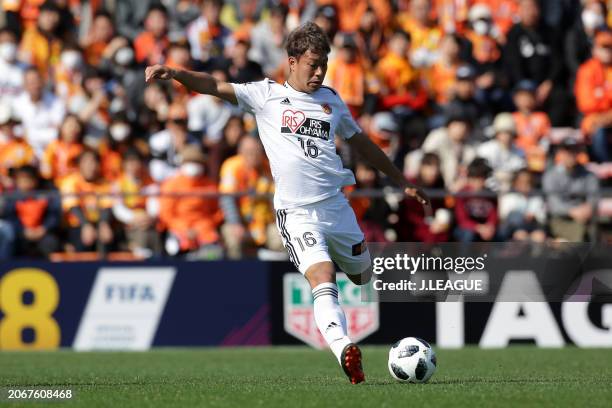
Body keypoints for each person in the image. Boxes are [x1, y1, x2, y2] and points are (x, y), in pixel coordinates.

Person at [145, 21, 429, 384]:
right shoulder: (265, 95)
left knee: (362, 275)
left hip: (336, 208)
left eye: (323, 64)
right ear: (292, 62)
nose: (319, 71)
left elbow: (363, 144)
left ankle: (344, 332)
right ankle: (344, 349)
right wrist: (177, 73)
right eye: (313, 64)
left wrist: (402, 181)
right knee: (322, 276)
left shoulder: (331, 100)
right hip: (297, 213)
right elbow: (215, 85)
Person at [219, 136, 279, 259]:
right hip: (240, 222)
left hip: (265, 223)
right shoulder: (232, 166)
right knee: (233, 238)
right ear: (240, 152)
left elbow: (276, 199)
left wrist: (280, 224)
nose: (252, 155)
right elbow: (226, 198)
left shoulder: (268, 167)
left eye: (255, 151)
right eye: (248, 152)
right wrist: (235, 223)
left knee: (283, 238)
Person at [158, 145, 223, 258]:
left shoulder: (209, 185)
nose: (194, 165)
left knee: (214, 254)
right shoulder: (171, 184)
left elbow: (217, 211)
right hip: (179, 230)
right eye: (190, 161)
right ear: (182, 164)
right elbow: (166, 214)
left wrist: (202, 227)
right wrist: (185, 229)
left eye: (197, 162)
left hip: (205, 230)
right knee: (174, 249)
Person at [543, 138, 600, 242]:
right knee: (578, 233)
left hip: (583, 217)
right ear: (560, 153)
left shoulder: (588, 175)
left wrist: (588, 207)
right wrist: (572, 211)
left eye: (574, 150)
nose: (570, 154)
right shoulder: (551, 175)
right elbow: (553, 203)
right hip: (560, 219)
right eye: (567, 150)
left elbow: (594, 197)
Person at [3, 165, 60, 257]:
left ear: (35, 180)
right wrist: (23, 230)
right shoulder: (12, 197)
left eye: (28, 179)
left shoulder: (46, 195)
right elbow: (10, 217)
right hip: (20, 234)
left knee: (50, 243)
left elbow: (53, 216)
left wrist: (44, 229)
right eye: (22, 179)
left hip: (42, 233)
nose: (25, 183)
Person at [575, 29, 612, 163]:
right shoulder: (586, 70)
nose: (608, 51)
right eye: (604, 47)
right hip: (594, 120)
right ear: (594, 49)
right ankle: (605, 168)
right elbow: (587, 104)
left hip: (605, 117)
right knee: (598, 130)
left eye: (611, 47)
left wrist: (602, 97)